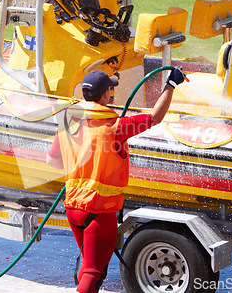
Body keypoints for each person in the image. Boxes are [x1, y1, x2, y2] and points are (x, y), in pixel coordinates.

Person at [46, 68, 186, 293]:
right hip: (100, 212)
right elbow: (155, 117)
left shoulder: (69, 123)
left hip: (73, 208)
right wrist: (171, 84)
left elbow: (52, 161)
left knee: (91, 267)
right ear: (103, 96)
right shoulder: (115, 127)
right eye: (110, 90)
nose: (112, 95)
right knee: (93, 272)